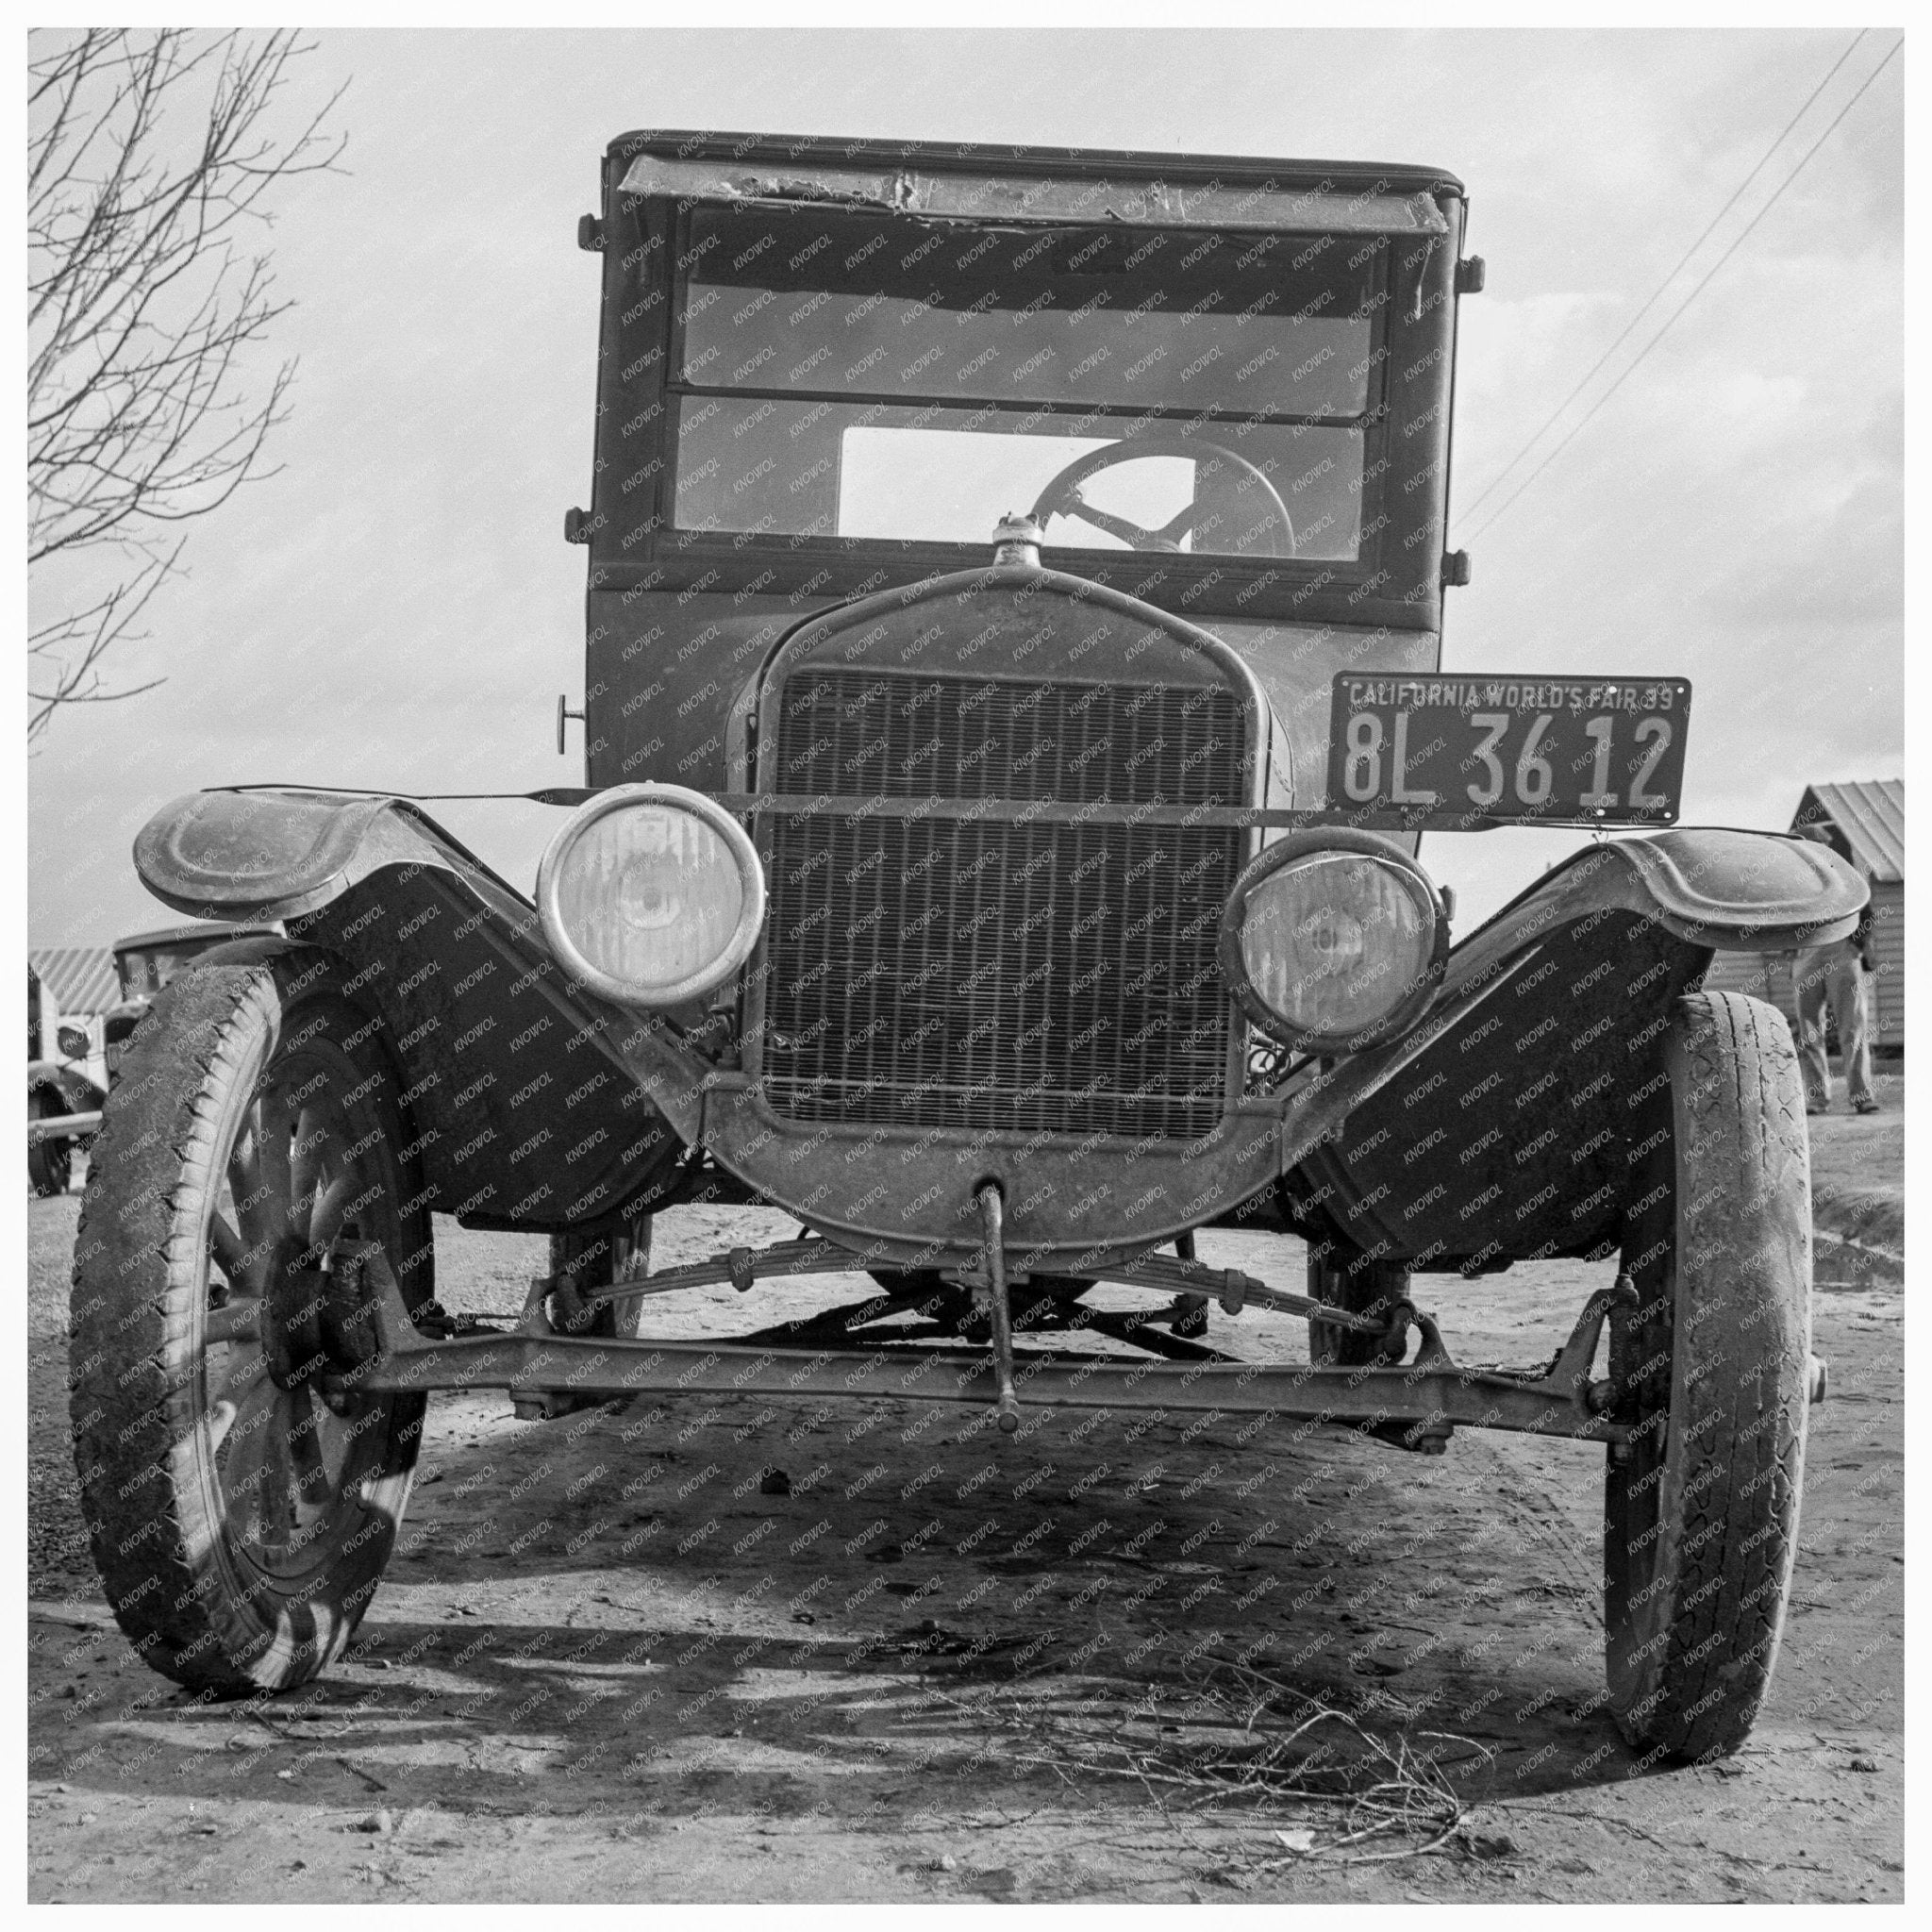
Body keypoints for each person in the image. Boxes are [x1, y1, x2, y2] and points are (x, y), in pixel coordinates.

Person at [1792, 823, 1879, 1115]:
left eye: (1816, 844)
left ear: (1825, 846)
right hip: (1807, 952)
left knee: (1852, 1027)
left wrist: (1856, 947)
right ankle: (1817, 1099)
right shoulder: (1791, 880)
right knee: (1808, 1030)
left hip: (1842, 949)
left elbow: (1866, 914)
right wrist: (1793, 951)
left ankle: (1862, 1096)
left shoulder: (1846, 875)